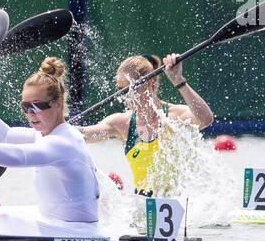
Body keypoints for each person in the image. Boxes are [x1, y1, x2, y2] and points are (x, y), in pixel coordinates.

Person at [0, 57, 102, 235]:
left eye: (37, 106)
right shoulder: (44, 135)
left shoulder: (63, 142)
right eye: (26, 106)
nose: (31, 113)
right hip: (59, 226)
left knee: (1, 221)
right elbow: (2, 136)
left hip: (75, 233)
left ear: (58, 104)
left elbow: (17, 156)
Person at [76, 54, 215, 196]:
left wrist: (178, 81)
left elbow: (206, 119)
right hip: (143, 208)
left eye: (130, 88)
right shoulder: (121, 123)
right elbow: (83, 135)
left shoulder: (174, 116)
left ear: (150, 83)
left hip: (179, 203)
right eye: (121, 90)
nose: (124, 95)